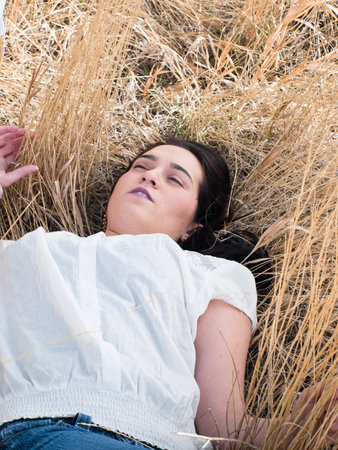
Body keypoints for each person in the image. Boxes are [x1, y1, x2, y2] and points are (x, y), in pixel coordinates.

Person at [0, 125, 336, 449]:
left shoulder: (212, 274)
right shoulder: (27, 249)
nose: (149, 175)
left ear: (194, 224)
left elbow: (224, 429)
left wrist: (299, 428)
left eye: (175, 179)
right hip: (28, 426)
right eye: (140, 167)